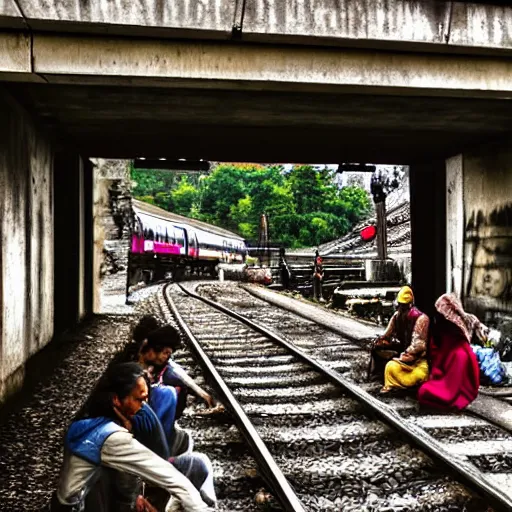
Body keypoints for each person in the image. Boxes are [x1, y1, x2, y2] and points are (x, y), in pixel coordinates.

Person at [50, 363, 211, 512]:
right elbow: (168, 476)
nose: (143, 406)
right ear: (116, 400)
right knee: (193, 468)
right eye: (138, 399)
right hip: (78, 507)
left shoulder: (89, 424)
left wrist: (138, 497)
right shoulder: (111, 437)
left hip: (71, 502)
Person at [418, 294, 481, 411]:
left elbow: (452, 385)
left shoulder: (460, 350)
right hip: (446, 379)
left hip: (453, 387)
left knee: (424, 391)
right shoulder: (446, 335)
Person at [368, 286, 429, 392]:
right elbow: (387, 334)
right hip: (403, 354)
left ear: (410, 305)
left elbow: (418, 345)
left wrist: (402, 358)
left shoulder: (421, 319)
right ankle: (377, 376)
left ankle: (403, 384)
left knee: (396, 368)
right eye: (401, 306)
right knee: (387, 362)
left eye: (404, 307)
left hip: (417, 360)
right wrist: (380, 342)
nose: (402, 309)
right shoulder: (397, 316)